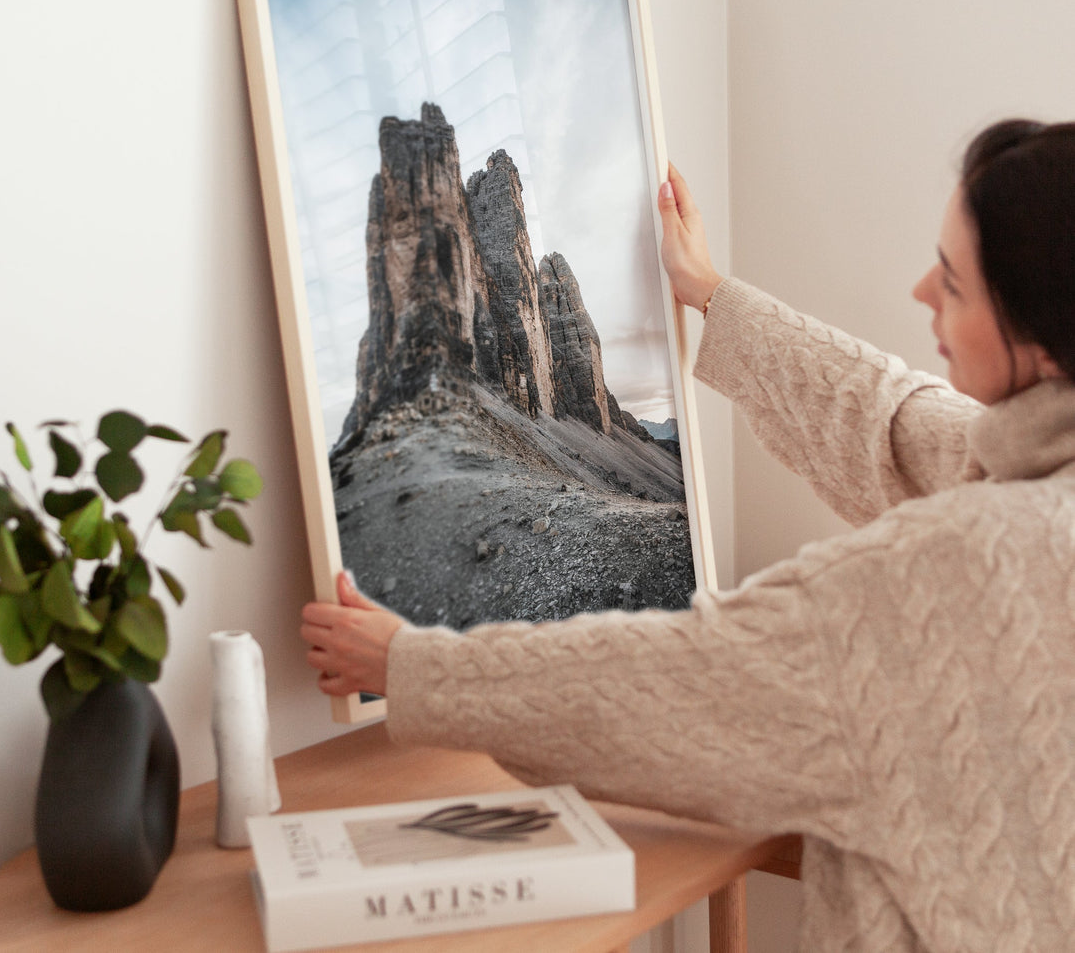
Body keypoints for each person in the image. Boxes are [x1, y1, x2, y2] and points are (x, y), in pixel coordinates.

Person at [301, 119, 1075, 952]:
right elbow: (892, 421)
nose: (923, 290)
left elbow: (680, 681)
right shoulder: (1037, 472)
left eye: (955, 284)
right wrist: (710, 293)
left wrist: (409, 666)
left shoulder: (954, 569)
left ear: (1039, 340)